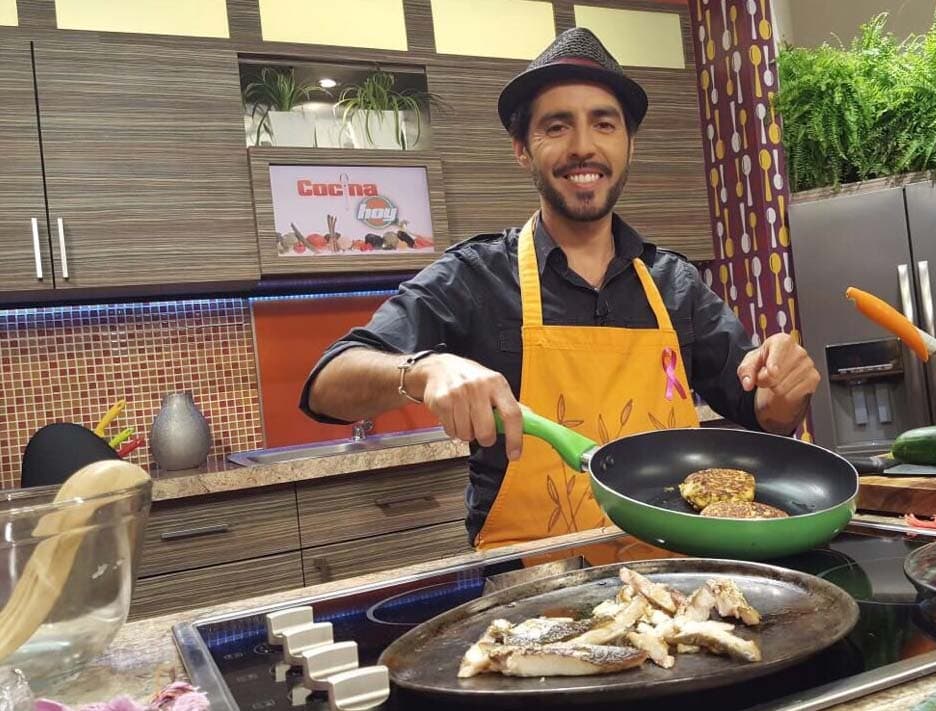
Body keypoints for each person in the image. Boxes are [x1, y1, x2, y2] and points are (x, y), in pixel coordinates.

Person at [301, 27, 820, 552]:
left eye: (603, 124)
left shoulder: (675, 285)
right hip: (533, 595)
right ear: (523, 150)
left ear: (628, 144)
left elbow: (766, 413)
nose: (583, 147)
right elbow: (327, 385)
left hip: (674, 577)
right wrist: (422, 370)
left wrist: (785, 389)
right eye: (556, 126)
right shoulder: (474, 277)